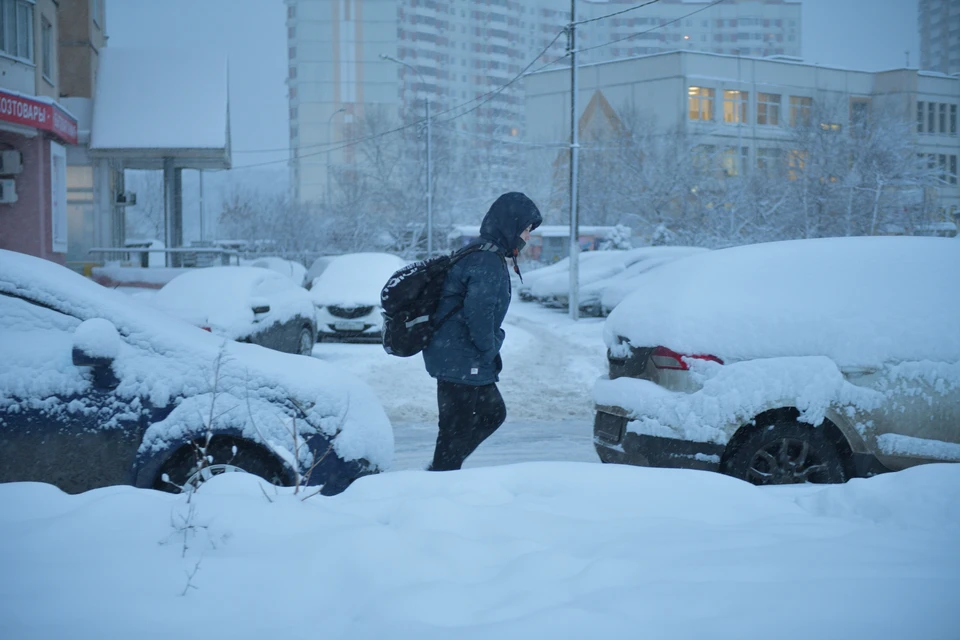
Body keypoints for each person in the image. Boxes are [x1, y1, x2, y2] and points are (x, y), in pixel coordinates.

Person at [422, 192, 543, 471]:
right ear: (510, 225)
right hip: (460, 356)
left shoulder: (485, 253)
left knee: (489, 414)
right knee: (457, 428)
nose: (527, 236)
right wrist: (492, 346)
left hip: (458, 354)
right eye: (526, 229)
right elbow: (479, 315)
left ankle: (442, 471)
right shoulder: (486, 260)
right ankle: (439, 480)